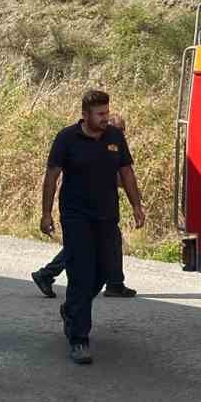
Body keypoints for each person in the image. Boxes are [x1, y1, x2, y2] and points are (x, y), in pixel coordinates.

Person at [40, 90, 145, 365]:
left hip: (107, 216)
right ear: (85, 114)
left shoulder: (114, 137)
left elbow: (127, 173)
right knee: (81, 274)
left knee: (108, 271)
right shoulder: (66, 138)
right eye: (100, 114)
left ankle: (72, 309)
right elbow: (52, 177)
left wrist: (136, 206)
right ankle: (79, 339)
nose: (105, 118)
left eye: (107, 113)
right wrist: (46, 213)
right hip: (76, 217)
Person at [31, 113, 137, 299]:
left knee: (108, 242)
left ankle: (114, 283)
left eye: (123, 131)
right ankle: (47, 274)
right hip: (82, 209)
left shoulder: (112, 145)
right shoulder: (91, 145)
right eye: (119, 130)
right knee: (80, 247)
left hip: (103, 210)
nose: (121, 134)